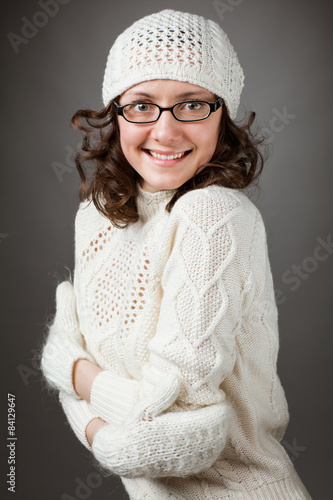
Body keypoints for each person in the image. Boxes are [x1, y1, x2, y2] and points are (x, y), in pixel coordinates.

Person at [40, 9, 312, 499]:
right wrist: (87, 388)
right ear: (116, 110)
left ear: (222, 114)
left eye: (191, 105)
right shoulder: (96, 217)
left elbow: (183, 438)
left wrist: (72, 372)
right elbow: (145, 420)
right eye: (142, 105)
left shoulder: (214, 215)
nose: (165, 132)